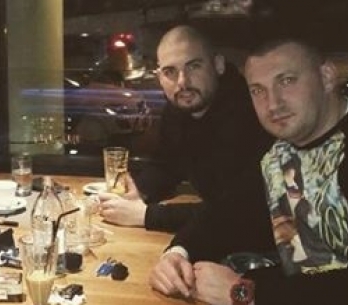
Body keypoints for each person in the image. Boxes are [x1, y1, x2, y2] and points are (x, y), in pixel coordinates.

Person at [170, 38, 348, 305]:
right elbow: (225, 213)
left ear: (326, 76)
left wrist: (244, 294)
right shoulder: (278, 154)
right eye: (258, 90)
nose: (272, 103)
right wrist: (177, 253)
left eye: (287, 81)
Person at [103, 25, 275, 285]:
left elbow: (236, 210)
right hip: (215, 236)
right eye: (170, 72)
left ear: (218, 65)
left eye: (193, 66)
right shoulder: (179, 109)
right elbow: (166, 164)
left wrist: (146, 216)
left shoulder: (250, 114)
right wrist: (138, 191)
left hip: (261, 253)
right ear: (159, 76)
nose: (182, 82)